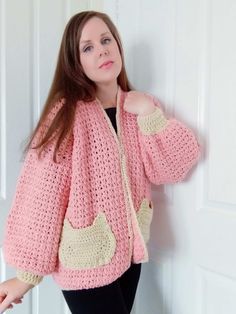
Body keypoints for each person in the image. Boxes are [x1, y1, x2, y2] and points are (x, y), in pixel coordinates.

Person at [0, 10, 201, 314]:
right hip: (86, 263)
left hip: (131, 256)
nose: (102, 50)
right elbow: (42, 196)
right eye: (88, 47)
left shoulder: (140, 106)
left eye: (106, 40)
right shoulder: (66, 114)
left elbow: (171, 167)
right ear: (75, 62)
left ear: (118, 46)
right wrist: (27, 276)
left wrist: (150, 114)